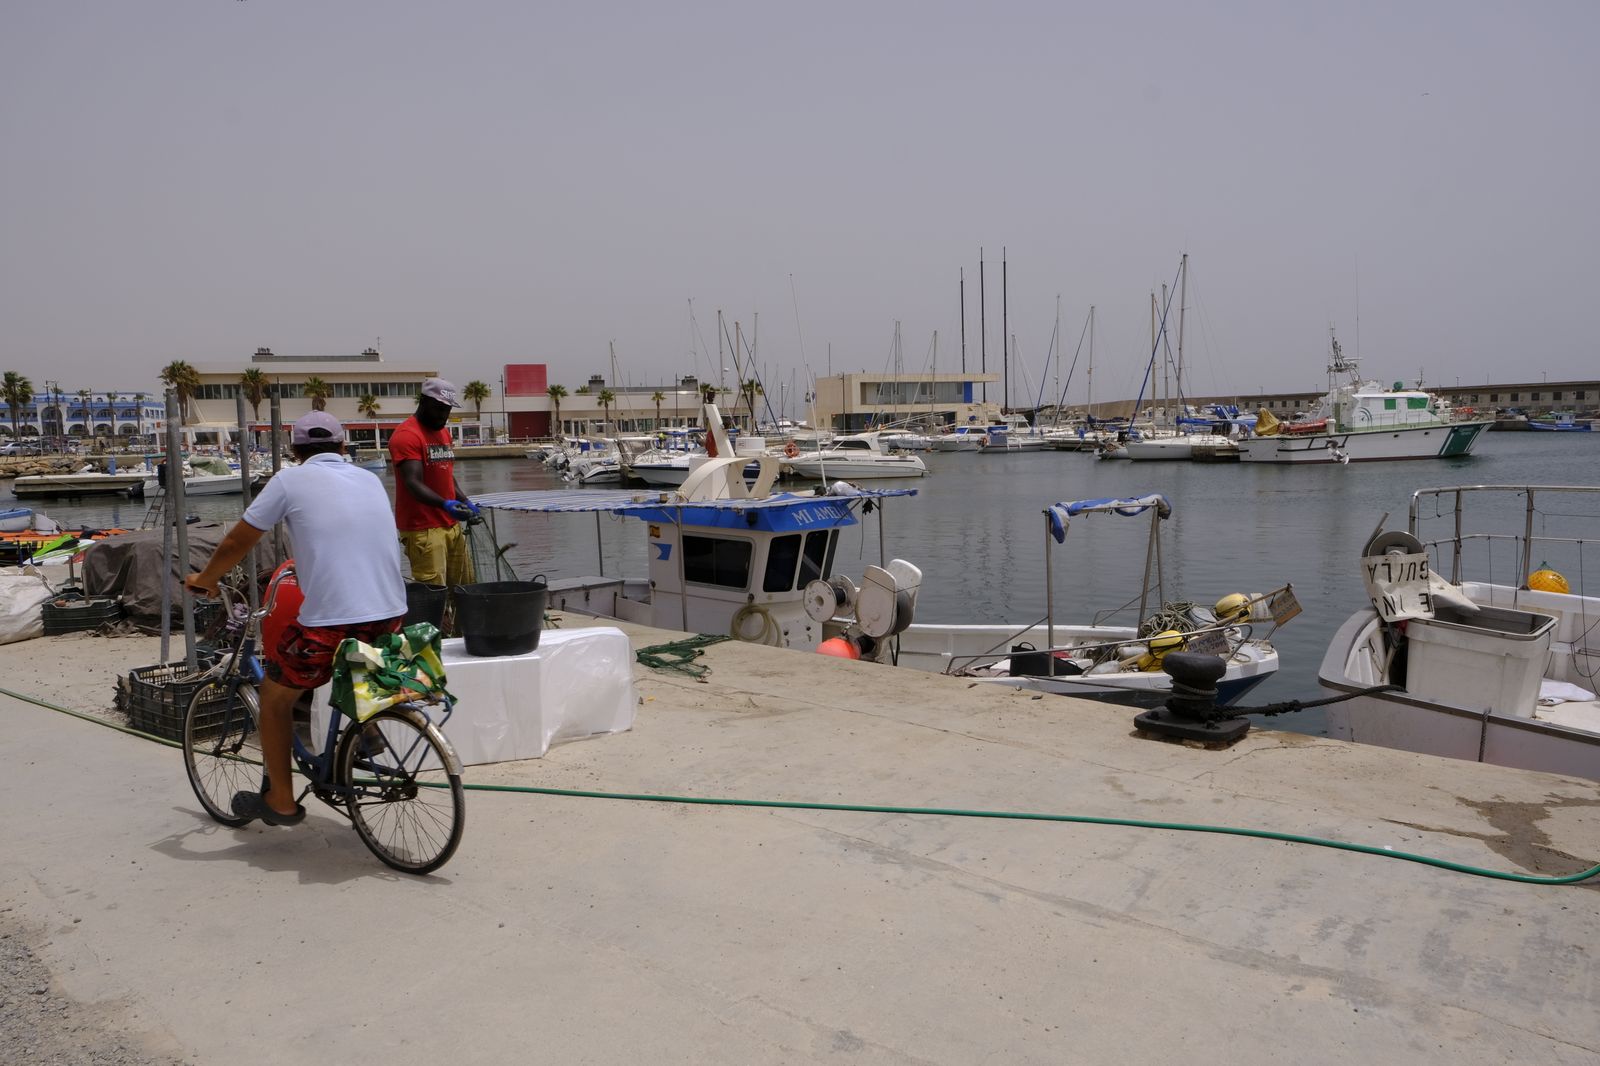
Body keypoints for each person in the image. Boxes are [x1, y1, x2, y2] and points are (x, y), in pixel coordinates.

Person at [185, 412, 407, 826]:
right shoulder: (369, 479)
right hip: (391, 612)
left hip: (332, 621)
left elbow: (238, 539)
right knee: (349, 662)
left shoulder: (289, 480)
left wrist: (206, 579)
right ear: (343, 447)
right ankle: (367, 730)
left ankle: (282, 803)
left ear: (294, 451)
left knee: (275, 697)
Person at [389, 377, 478, 586]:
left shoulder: (444, 433)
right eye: (439, 409)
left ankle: (461, 621)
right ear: (423, 401)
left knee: (464, 586)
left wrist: (465, 501)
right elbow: (413, 483)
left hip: (451, 524)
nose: (443, 416)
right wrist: (445, 504)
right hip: (423, 529)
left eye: (447, 410)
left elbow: (446, 474)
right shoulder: (407, 435)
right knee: (434, 592)